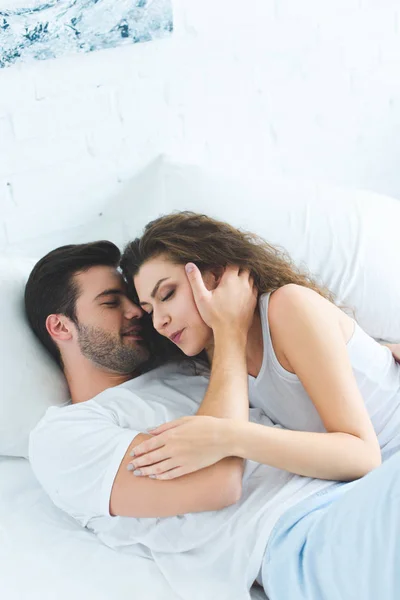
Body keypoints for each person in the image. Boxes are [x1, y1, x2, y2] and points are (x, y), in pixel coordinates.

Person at [26, 240, 400, 600]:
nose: (139, 313)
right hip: (301, 537)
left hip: (356, 487)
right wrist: (229, 333)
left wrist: (375, 352)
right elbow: (216, 482)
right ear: (61, 327)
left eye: (138, 301)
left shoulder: (194, 366)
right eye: (111, 302)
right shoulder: (64, 436)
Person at [121, 210, 400, 484]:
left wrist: (231, 437)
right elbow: (212, 466)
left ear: (217, 276)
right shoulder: (217, 352)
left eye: (167, 294)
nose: (159, 321)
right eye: (149, 310)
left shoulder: (289, 307)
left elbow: (363, 456)